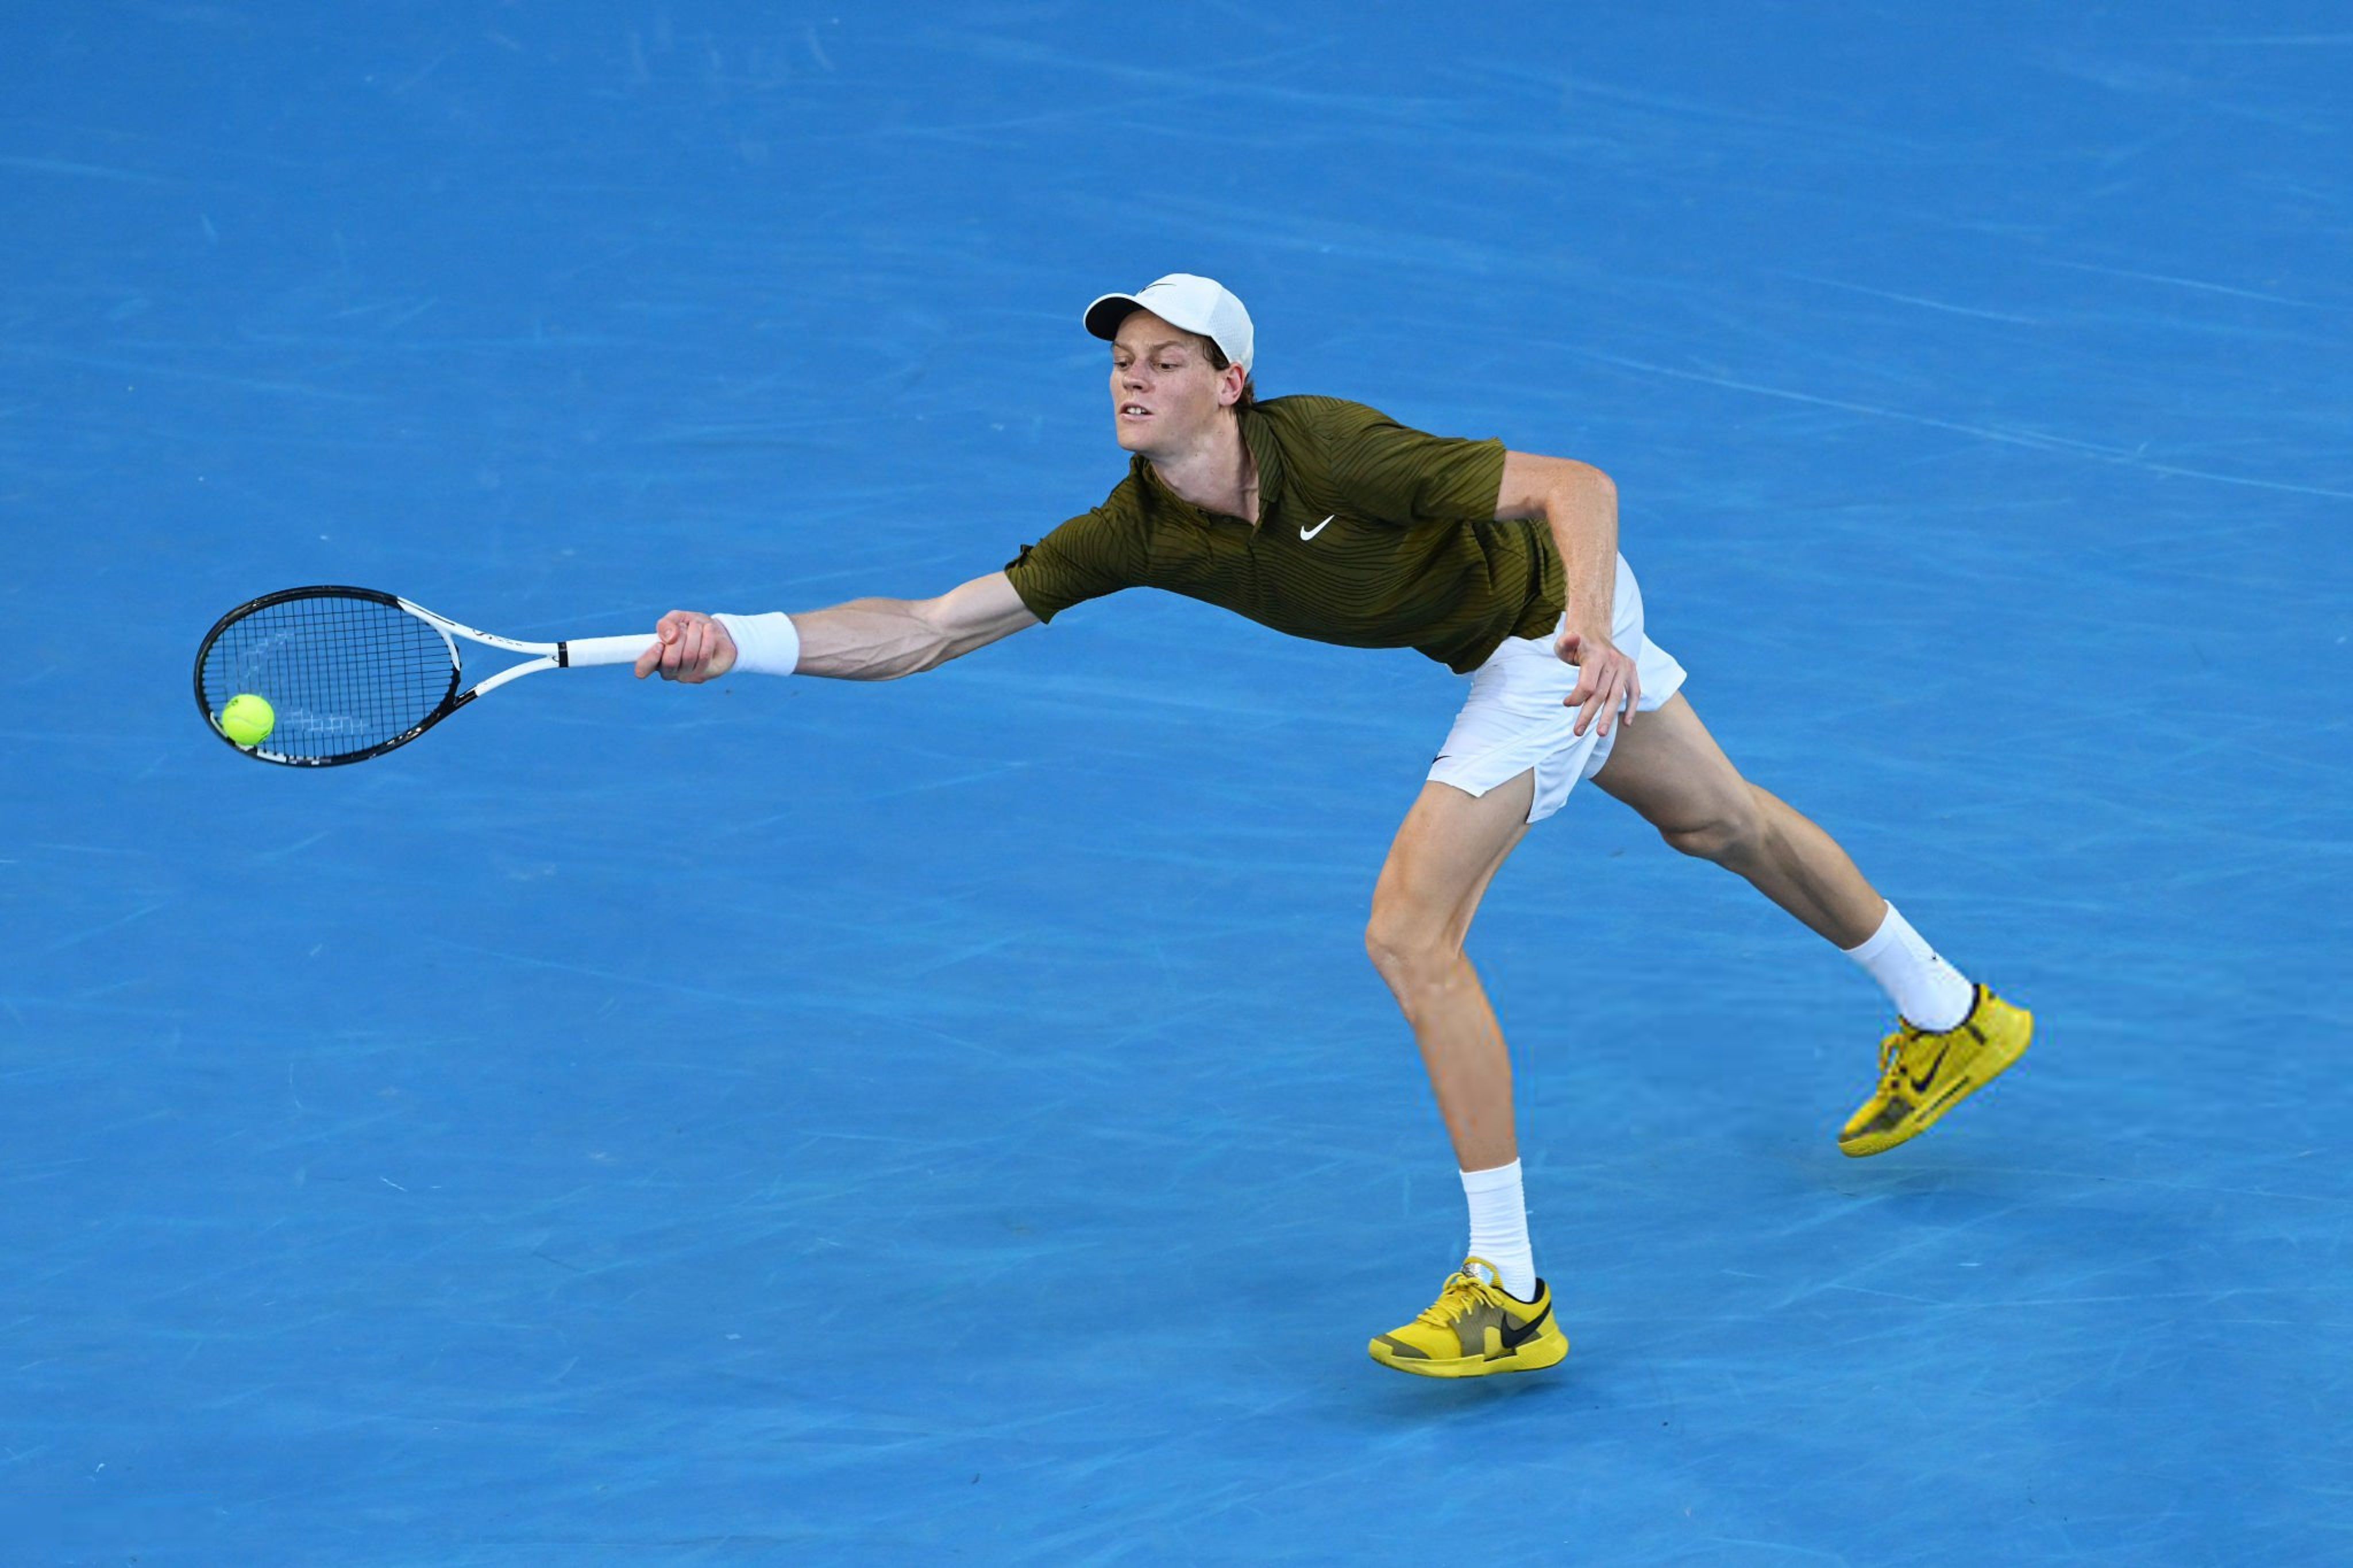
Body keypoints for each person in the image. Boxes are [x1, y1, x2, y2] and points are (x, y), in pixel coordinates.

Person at [632, 274, 2034, 1380]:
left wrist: (1588, 634)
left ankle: (1506, 1289)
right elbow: (929, 632)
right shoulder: (1134, 529)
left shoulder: (1331, 449)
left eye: (1164, 358)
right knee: (1717, 823)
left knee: (1409, 933)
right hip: (1531, 639)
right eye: (1119, 357)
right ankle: (1946, 1008)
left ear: (1227, 384)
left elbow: (1576, 488)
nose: (1132, 375)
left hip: (1543, 637)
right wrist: (741, 642)